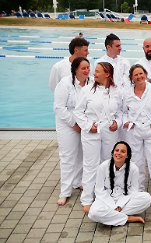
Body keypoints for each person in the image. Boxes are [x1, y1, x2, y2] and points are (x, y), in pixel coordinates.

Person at [74, 62, 122, 213]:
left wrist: (117, 122)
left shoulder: (116, 91)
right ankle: (87, 198)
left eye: (97, 71)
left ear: (107, 74)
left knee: (108, 163)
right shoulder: (87, 90)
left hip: (109, 131)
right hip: (92, 131)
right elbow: (78, 112)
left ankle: (105, 194)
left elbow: (120, 111)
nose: (93, 73)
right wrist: (88, 126)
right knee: (90, 165)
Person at [122, 64, 151, 203]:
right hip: (134, 131)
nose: (139, 77)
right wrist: (126, 122)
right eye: (136, 75)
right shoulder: (127, 93)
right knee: (136, 162)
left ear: (145, 74)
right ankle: (138, 192)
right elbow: (123, 112)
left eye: (141, 73)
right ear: (132, 78)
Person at [54, 57, 92, 206]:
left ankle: (78, 181)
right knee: (68, 156)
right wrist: (73, 123)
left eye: (88, 67)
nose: (87, 70)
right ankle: (65, 192)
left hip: (84, 122)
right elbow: (59, 107)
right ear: (75, 69)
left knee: (83, 154)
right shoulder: (65, 83)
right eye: (83, 68)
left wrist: (85, 123)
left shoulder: (92, 82)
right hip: (66, 123)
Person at [88, 142, 151, 226]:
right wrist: (112, 205)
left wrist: (120, 204)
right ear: (113, 153)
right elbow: (99, 189)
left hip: (124, 198)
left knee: (146, 198)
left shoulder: (133, 169)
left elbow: (133, 191)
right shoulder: (103, 166)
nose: (118, 153)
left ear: (127, 155)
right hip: (106, 198)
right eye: (116, 150)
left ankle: (110, 218)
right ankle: (127, 218)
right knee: (93, 213)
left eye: (122, 151)